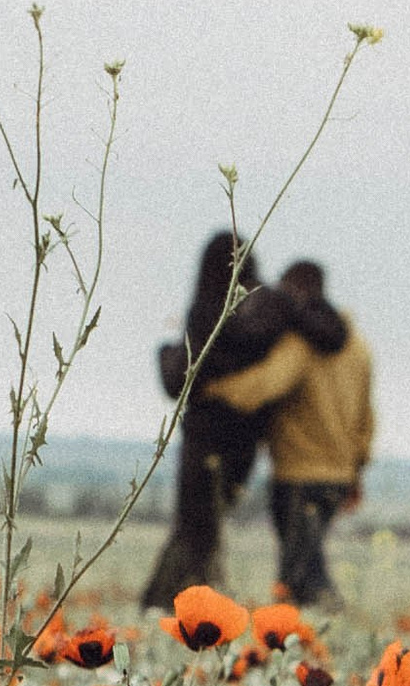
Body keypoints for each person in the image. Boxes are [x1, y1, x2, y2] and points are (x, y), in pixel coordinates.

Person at [138, 235, 298, 609]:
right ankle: (185, 604)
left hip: (205, 434)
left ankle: (173, 605)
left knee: (193, 528)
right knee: (205, 528)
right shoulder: (275, 309)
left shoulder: (208, 308)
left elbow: (181, 376)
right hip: (246, 437)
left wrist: (165, 354)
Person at [204, 260, 373, 606]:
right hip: (338, 477)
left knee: (299, 575)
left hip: (299, 474)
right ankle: (300, 630)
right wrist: (355, 471)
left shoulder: (300, 345)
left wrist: (207, 385)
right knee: (303, 561)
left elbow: (263, 387)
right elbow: (366, 420)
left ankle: (318, 629)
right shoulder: (359, 349)